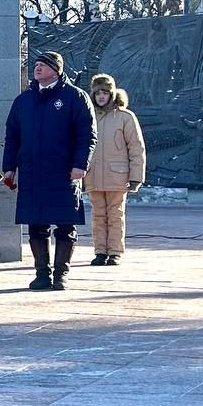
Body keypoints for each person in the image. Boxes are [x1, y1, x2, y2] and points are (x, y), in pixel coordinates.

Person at [2, 52, 96, 291]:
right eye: (36, 65)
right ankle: (41, 273)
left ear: (57, 70)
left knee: (65, 224)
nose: (38, 68)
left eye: (43, 65)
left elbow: (87, 135)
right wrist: (9, 167)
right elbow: (12, 135)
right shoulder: (23, 101)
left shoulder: (75, 97)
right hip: (32, 172)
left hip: (64, 172)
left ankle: (61, 274)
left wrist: (80, 164)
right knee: (36, 224)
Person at [86, 73, 146, 266]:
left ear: (112, 94)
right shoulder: (88, 116)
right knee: (97, 215)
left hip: (117, 175)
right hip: (93, 174)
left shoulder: (125, 117)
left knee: (115, 214)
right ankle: (100, 251)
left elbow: (136, 148)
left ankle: (115, 252)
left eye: (105, 92)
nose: (101, 96)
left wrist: (136, 177)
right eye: (98, 93)